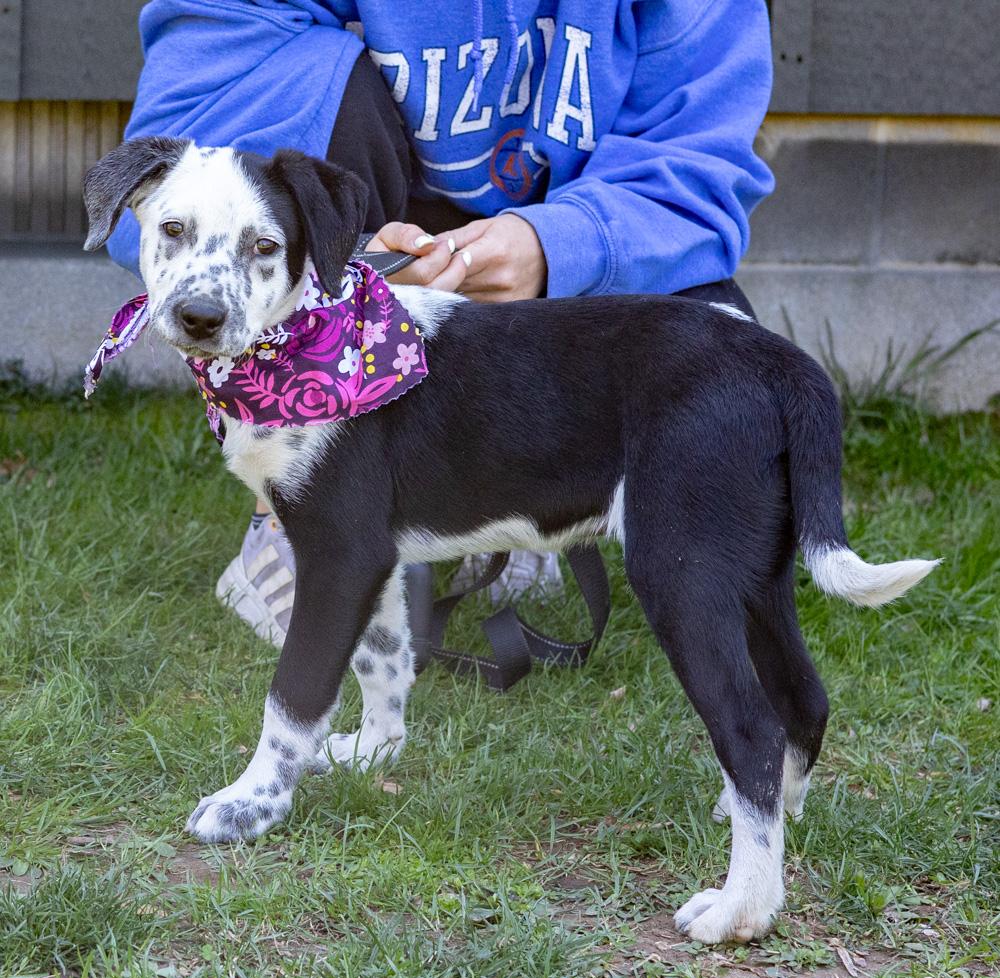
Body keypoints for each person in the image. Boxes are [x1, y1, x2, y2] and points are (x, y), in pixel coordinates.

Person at [106, 0, 775, 646]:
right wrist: (341, 255)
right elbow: (198, 122)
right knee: (314, 71)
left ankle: (521, 500)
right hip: (370, 238)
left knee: (712, 337)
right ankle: (288, 523)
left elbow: (696, 162)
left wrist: (557, 246)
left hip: (564, 248)